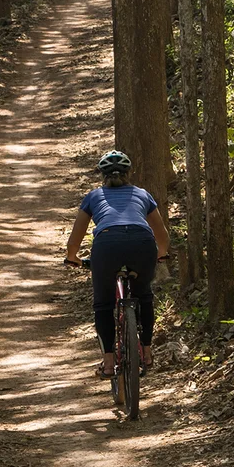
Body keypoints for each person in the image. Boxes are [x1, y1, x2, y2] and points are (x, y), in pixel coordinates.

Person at [62, 150, 170, 378]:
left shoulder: (93, 196)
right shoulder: (142, 194)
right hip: (142, 243)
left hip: (107, 244)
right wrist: (161, 253)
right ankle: (148, 353)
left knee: (103, 303)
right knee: (144, 295)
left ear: (102, 175)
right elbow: (161, 233)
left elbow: (76, 236)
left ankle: (109, 363)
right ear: (129, 174)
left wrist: (73, 257)